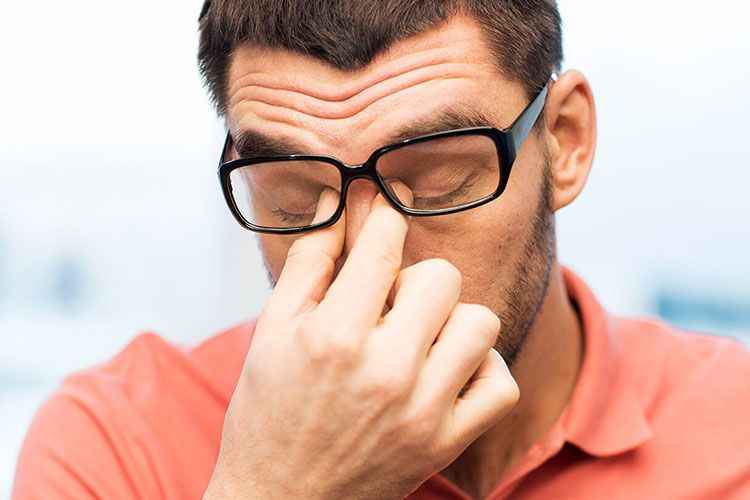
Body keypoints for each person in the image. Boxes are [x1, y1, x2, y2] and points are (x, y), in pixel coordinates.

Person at [13, 1, 750, 499]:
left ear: (565, 141)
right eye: (295, 194)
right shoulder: (116, 445)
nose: (370, 253)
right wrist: (279, 486)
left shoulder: (735, 428)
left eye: (437, 179)